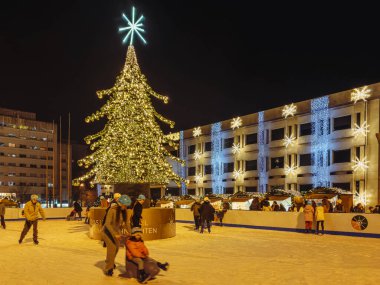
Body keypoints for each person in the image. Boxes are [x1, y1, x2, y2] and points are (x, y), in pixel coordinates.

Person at [102, 194, 132, 276]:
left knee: (117, 248)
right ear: (120, 204)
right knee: (112, 247)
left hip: (116, 231)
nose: (126, 207)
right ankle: (109, 268)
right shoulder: (112, 210)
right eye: (125, 205)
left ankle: (110, 261)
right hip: (107, 232)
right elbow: (107, 224)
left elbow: (127, 223)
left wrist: (130, 233)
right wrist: (115, 234)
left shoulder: (124, 211)